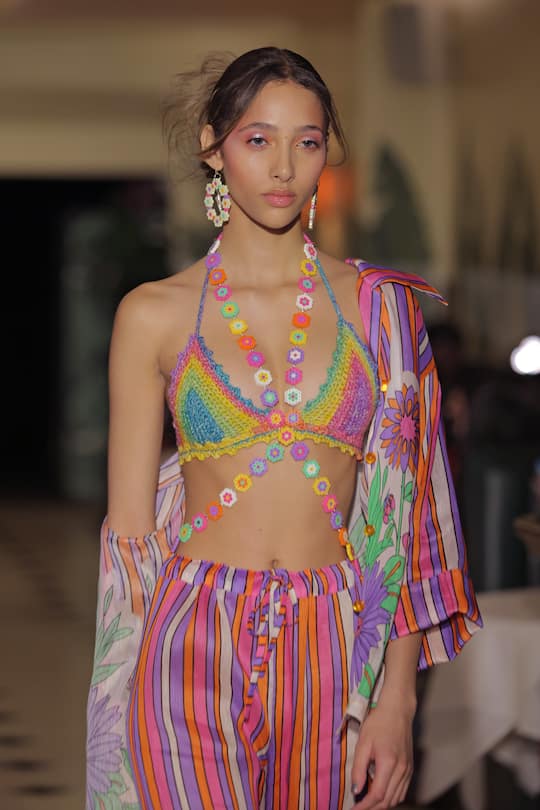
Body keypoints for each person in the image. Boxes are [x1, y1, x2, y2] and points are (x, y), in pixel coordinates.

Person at [85, 47, 482, 810]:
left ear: (326, 150)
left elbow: (402, 521)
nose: (283, 166)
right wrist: (116, 716)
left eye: (307, 140)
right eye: (257, 139)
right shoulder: (152, 312)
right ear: (214, 146)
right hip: (188, 639)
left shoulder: (381, 309)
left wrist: (397, 701)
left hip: (334, 641)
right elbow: (130, 537)